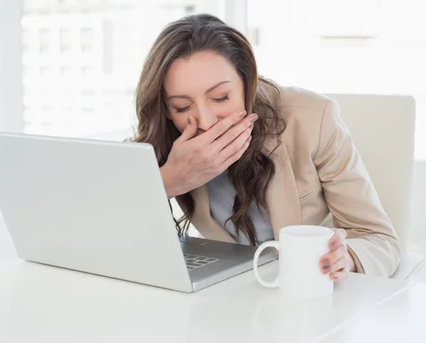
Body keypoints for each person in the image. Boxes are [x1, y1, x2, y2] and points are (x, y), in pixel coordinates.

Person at [132, 14, 401, 280]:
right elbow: (102, 223)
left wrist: (347, 258)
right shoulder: (162, 140)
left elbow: (379, 238)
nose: (205, 121)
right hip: (226, 290)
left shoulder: (313, 119)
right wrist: (170, 180)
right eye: (182, 107)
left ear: (248, 83)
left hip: (303, 288)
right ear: (165, 109)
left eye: (221, 97)